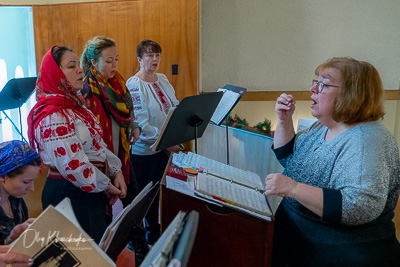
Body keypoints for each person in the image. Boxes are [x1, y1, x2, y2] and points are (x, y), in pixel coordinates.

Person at [265, 57, 400, 266]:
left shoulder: (368, 140)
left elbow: (358, 206)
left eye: (323, 84)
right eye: (315, 81)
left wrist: (293, 189)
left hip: (342, 254)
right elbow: (289, 158)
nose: (312, 89)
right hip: (304, 245)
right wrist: (284, 120)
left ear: (351, 94)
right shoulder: (325, 126)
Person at [28, 46, 125, 244]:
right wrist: (106, 184)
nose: (81, 70)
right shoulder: (52, 115)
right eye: (72, 66)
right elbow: (73, 165)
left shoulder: (76, 107)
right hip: (69, 193)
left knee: (97, 247)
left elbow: (97, 146)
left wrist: (116, 171)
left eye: (79, 65)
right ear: (55, 74)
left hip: (88, 187)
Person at [126, 39, 180, 245]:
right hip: (144, 151)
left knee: (156, 191)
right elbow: (142, 124)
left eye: (157, 55)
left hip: (162, 149)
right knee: (142, 197)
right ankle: (135, 236)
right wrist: (165, 142)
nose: (154, 59)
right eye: (149, 55)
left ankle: (153, 231)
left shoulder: (163, 79)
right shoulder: (134, 84)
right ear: (139, 59)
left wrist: (174, 136)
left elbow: (174, 108)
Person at [80, 36, 140, 211]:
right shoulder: (86, 89)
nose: (115, 65)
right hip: (101, 161)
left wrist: (134, 126)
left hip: (122, 155)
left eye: (116, 59)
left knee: (134, 205)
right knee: (105, 212)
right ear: (94, 63)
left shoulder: (118, 83)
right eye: (109, 61)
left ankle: (138, 239)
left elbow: (126, 115)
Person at [0, 140, 39, 245]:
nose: (32, 188)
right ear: (3, 176)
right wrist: (9, 240)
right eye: (26, 182)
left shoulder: (16, 200)